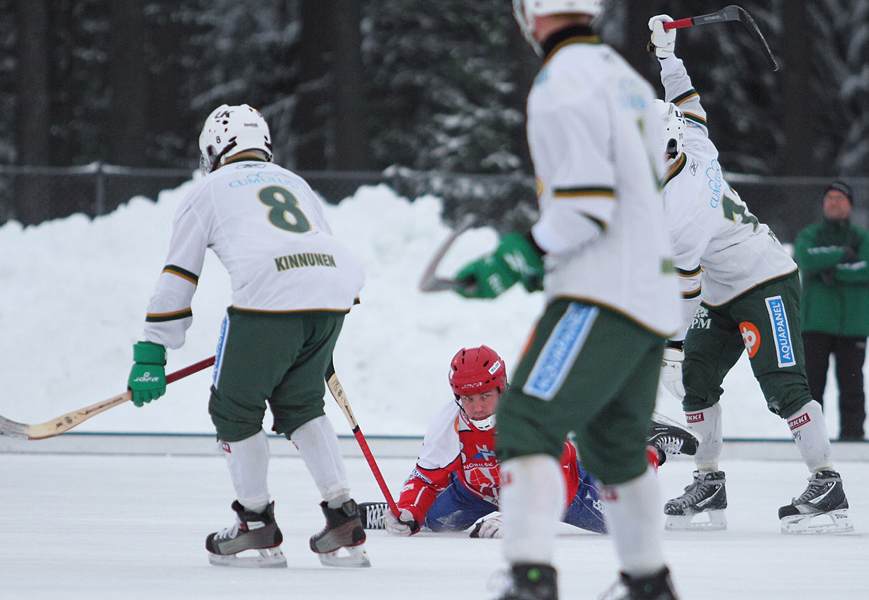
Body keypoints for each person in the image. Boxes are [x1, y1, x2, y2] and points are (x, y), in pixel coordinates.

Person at [450, 2, 684, 598]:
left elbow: (585, 204)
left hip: (599, 292)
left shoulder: (559, 81)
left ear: (530, 13)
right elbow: (646, 179)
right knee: (615, 447)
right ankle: (648, 581)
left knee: (526, 421)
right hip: (652, 294)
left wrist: (523, 251)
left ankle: (530, 576)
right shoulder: (625, 76)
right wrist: (554, 256)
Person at [126, 104, 370, 568]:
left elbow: (178, 276)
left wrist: (152, 350)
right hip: (333, 291)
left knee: (234, 410)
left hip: (270, 293)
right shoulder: (293, 181)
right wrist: (312, 333)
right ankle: (343, 522)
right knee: (301, 406)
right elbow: (325, 244)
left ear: (215, 149)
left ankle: (256, 526)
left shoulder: (210, 190)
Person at [647, 16, 854, 535]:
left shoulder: (681, 208)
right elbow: (688, 101)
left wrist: (670, 344)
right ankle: (709, 483)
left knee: (782, 384)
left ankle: (827, 485)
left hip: (763, 279)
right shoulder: (689, 140)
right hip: (722, 285)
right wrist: (668, 58)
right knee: (697, 381)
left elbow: (685, 287)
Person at [358, 346, 698, 539]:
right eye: (467, 398)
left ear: (501, 388)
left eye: (485, 396)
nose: (476, 407)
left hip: (565, 487)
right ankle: (385, 512)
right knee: (434, 521)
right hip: (478, 492)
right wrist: (409, 511)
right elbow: (425, 478)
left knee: (626, 522)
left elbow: (550, 478)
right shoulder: (448, 424)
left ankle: (647, 446)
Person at [794, 181, 869, 441]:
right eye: (829, 197)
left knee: (852, 387)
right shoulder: (810, 234)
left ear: (850, 205)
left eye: (839, 198)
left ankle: (853, 438)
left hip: (853, 327)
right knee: (811, 388)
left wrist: (830, 270)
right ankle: (809, 439)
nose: (833, 202)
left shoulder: (862, 238)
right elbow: (806, 259)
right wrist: (842, 254)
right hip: (815, 325)